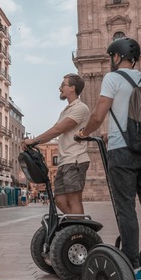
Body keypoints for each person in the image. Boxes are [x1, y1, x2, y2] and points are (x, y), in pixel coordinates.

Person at [77, 37, 141, 280]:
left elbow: (98, 114)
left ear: (116, 57)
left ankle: (133, 266)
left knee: (125, 207)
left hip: (122, 152)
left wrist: (84, 133)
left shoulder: (112, 78)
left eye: (112, 57)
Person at [22, 73, 90, 215]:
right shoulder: (66, 110)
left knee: (74, 199)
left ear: (72, 88)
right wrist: (35, 144)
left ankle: (79, 231)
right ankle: (77, 226)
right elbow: (54, 131)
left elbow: (58, 129)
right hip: (65, 161)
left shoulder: (81, 108)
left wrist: (33, 140)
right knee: (59, 200)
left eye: (63, 85)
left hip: (76, 159)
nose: (60, 88)